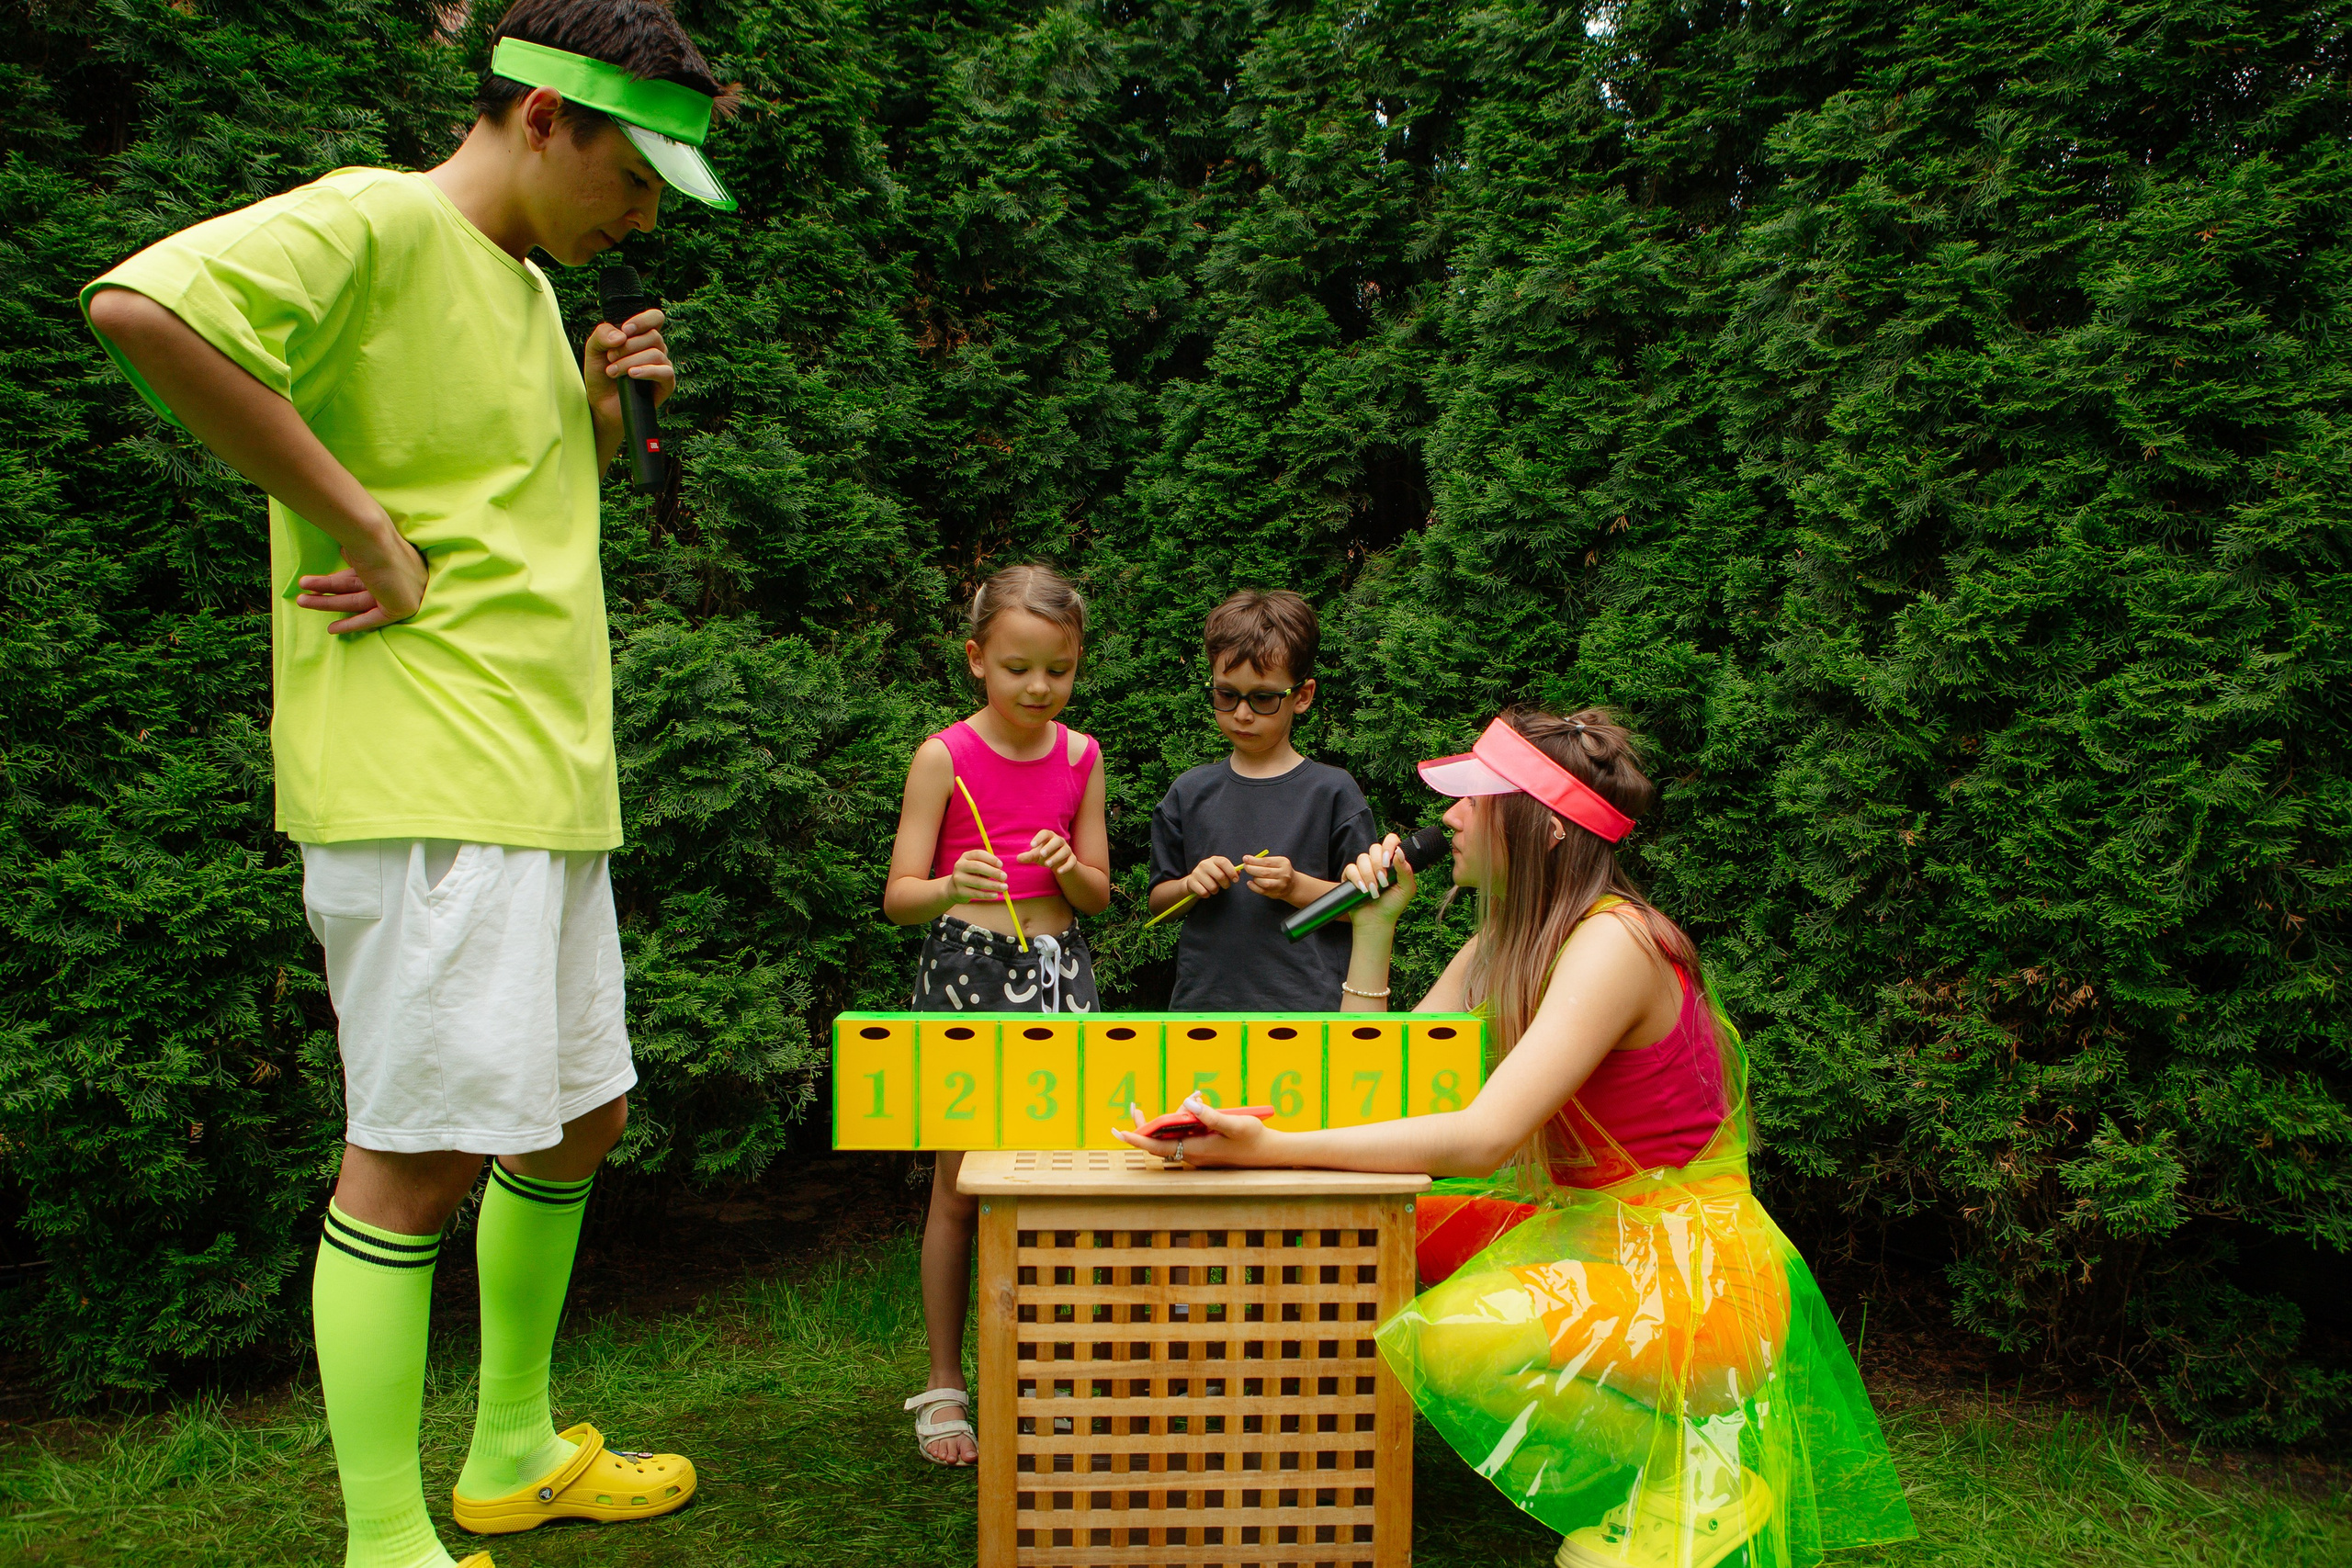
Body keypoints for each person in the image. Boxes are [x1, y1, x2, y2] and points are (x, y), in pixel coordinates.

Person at [78, 4, 738, 1563]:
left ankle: (512, 1448)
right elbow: (143, 306)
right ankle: (385, 1540)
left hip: (540, 777)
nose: (643, 216)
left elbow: (499, 507)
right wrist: (356, 523)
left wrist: (595, 405)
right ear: (539, 117)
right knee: (420, 1149)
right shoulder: (380, 213)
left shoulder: (518, 286)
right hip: (431, 779)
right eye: (631, 177)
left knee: (582, 1114)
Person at [1117, 708, 1916, 1568]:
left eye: (1474, 799)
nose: (1449, 817)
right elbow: (1380, 1090)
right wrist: (1375, 928)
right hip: (1596, 1235)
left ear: (1543, 831)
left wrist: (1268, 1148)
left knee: (1462, 1338)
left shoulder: (1614, 943)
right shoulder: (1500, 941)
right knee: (1377, 1225)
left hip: (1695, 1276)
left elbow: (1483, 1139)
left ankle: (1699, 1473)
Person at [882, 563, 1113, 1465]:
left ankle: (1052, 1374)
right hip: (966, 975)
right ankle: (945, 1382)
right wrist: (948, 885)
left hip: (1061, 974)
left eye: (1056, 670)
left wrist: (1062, 868)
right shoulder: (943, 756)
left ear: (1075, 663)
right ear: (977, 659)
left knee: (1064, 1182)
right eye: (1017, 668)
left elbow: (1096, 895)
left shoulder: (1082, 757)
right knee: (957, 1186)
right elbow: (898, 895)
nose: (1037, 688)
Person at [1147, 590, 1377, 1011]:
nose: (1242, 714)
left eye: (1264, 698)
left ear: (1302, 696)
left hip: (1307, 1012)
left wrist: (1295, 886)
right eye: (1226, 695)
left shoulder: (1332, 792)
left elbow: (1365, 907)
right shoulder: (1189, 791)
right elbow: (1160, 904)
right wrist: (1189, 885)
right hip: (1205, 1011)